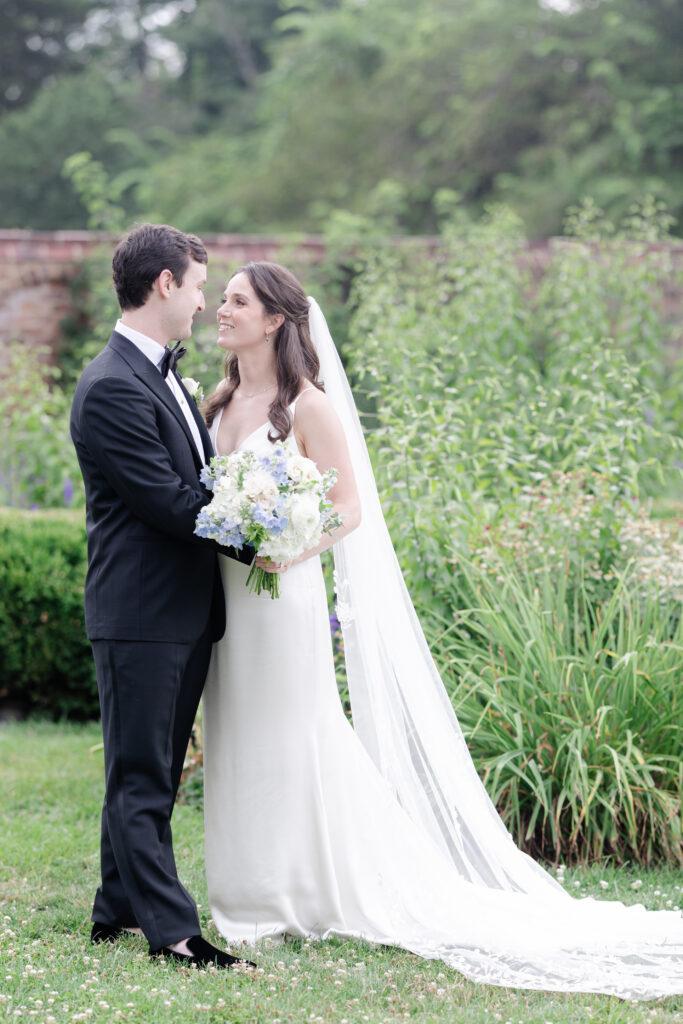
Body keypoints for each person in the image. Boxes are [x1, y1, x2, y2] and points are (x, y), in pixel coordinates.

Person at [199, 260, 683, 999]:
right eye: (222, 298)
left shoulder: (309, 408)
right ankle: (242, 891)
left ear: (273, 320)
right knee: (237, 733)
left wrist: (288, 545)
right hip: (227, 605)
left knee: (293, 736)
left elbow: (349, 508)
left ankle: (289, 894)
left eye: (236, 301)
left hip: (282, 597)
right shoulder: (215, 404)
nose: (221, 310)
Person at [70, 222, 254, 970]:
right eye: (201, 285)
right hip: (140, 614)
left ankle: (115, 909)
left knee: (151, 768)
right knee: (143, 776)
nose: (205, 301)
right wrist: (260, 533)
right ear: (165, 284)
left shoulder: (163, 375)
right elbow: (168, 502)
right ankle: (174, 935)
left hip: (176, 613)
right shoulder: (113, 385)